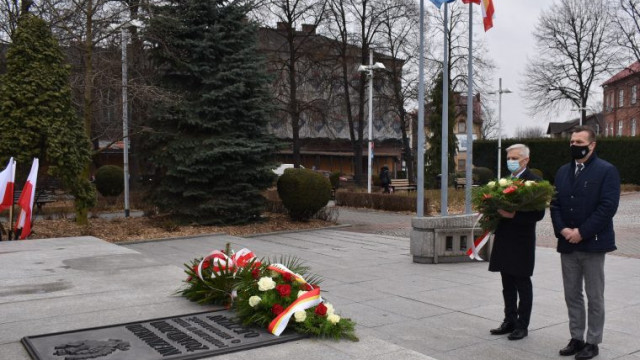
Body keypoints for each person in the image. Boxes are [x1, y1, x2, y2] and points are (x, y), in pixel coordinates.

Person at [551, 126, 620, 360]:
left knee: (594, 295)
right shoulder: (562, 171)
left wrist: (581, 232)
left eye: (580, 142)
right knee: (572, 294)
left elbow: (607, 207)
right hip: (567, 243)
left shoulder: (606, 171)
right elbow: (556, 204)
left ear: (592, 145)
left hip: (593, 243)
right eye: (572, 141)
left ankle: (593, 341)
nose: (574, 146)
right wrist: (563, 229)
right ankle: (576, 337)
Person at [489, 144, 545, 341]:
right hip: (504, 237)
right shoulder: (504, 181)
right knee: (507, 283)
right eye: (509, 158)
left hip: (522, 240)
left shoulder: (535, 182)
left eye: (515, 158)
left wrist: (513, 214)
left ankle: (522, 325)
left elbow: (538, 214)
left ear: (526, 160)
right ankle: (509, 320)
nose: (510, 161)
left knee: (522, 283)